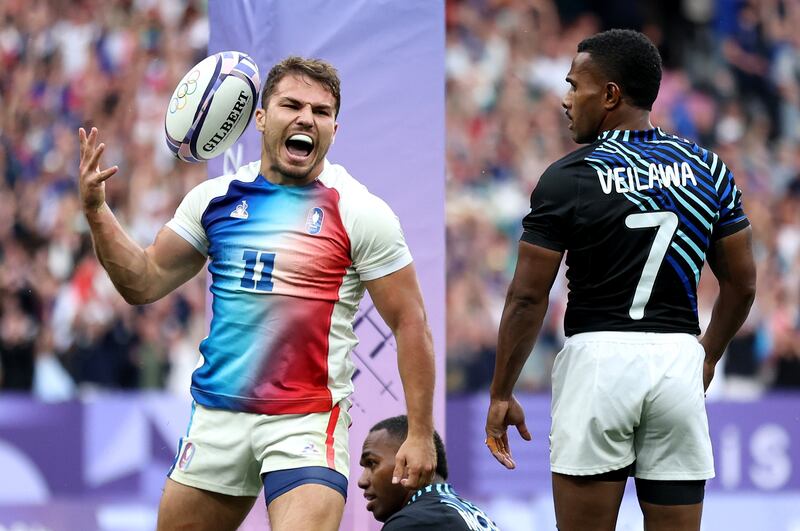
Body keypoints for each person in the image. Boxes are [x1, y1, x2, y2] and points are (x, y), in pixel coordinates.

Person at [78, 56, 436, 531]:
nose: (307, 118)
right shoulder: (216, 198)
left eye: (321, 111)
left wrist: (420, 432)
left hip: (305, 422)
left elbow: (410, 322)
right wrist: (97, 212)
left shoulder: (359, 211)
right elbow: (142, 282)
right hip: (217, 415)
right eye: (292, 104)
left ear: (334, 127)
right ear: (261, 117)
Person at [484, 29, 756, 531]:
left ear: (610, 95)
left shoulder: (569, 178)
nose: (565, 100)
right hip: (678, 361)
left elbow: (527, 297)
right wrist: (708, 353)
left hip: (598, 364)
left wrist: (501, 392)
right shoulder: (709, 169)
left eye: (574, 85)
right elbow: (742, 284)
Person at [359, 415, 499, 530]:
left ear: (410, 461)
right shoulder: (478, 517)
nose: (362, 481)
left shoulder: (413, 522)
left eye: (371, 463)